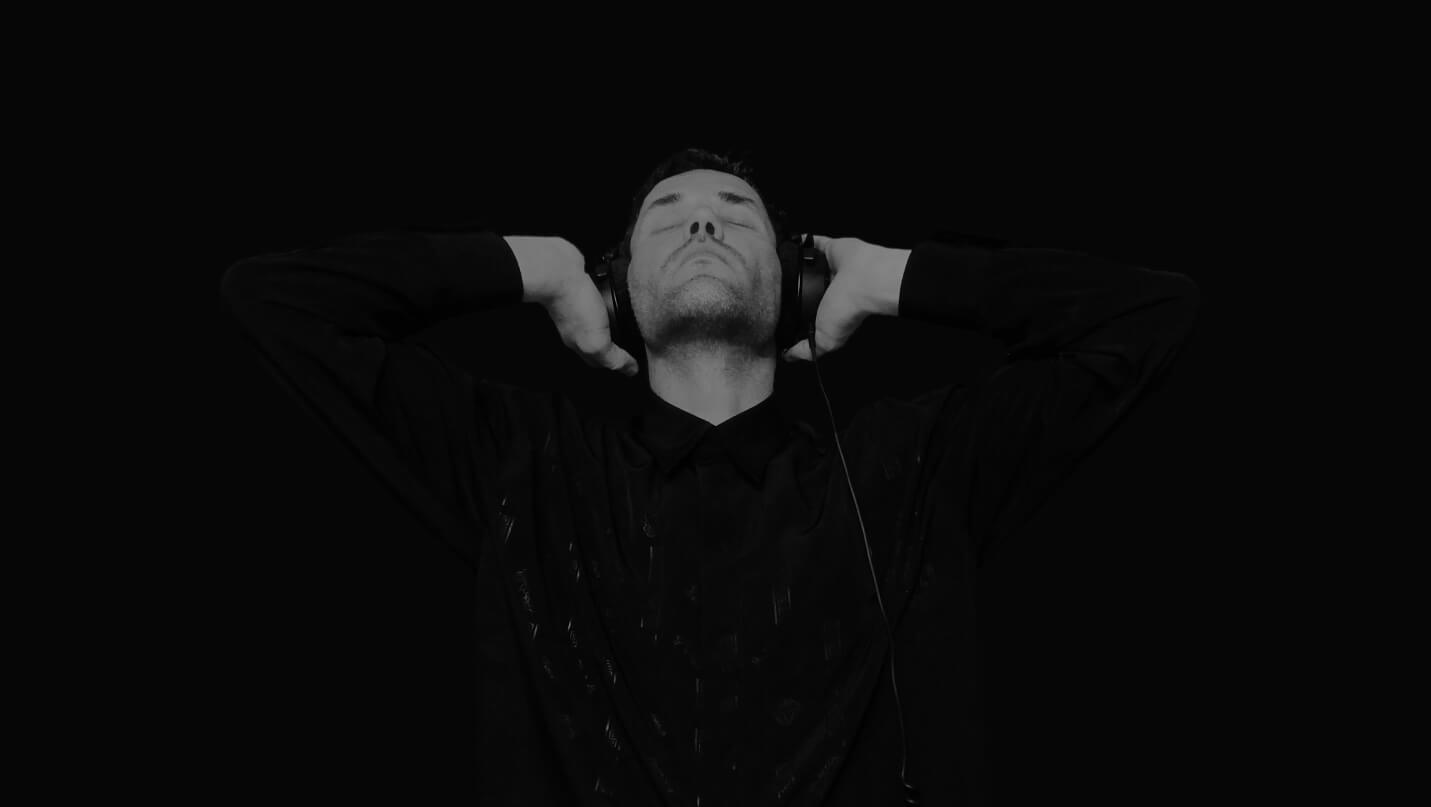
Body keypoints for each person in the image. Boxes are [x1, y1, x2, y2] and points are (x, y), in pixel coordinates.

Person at [220, 147, 1200, 805]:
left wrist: (897, 276)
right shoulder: (521, 460)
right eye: (668, 216)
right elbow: (277, 301)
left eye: (736, 213)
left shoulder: (918, 462)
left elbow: (1147, 317)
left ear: (798, 283)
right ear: (615, 286)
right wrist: (533, 264)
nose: (702, 226)